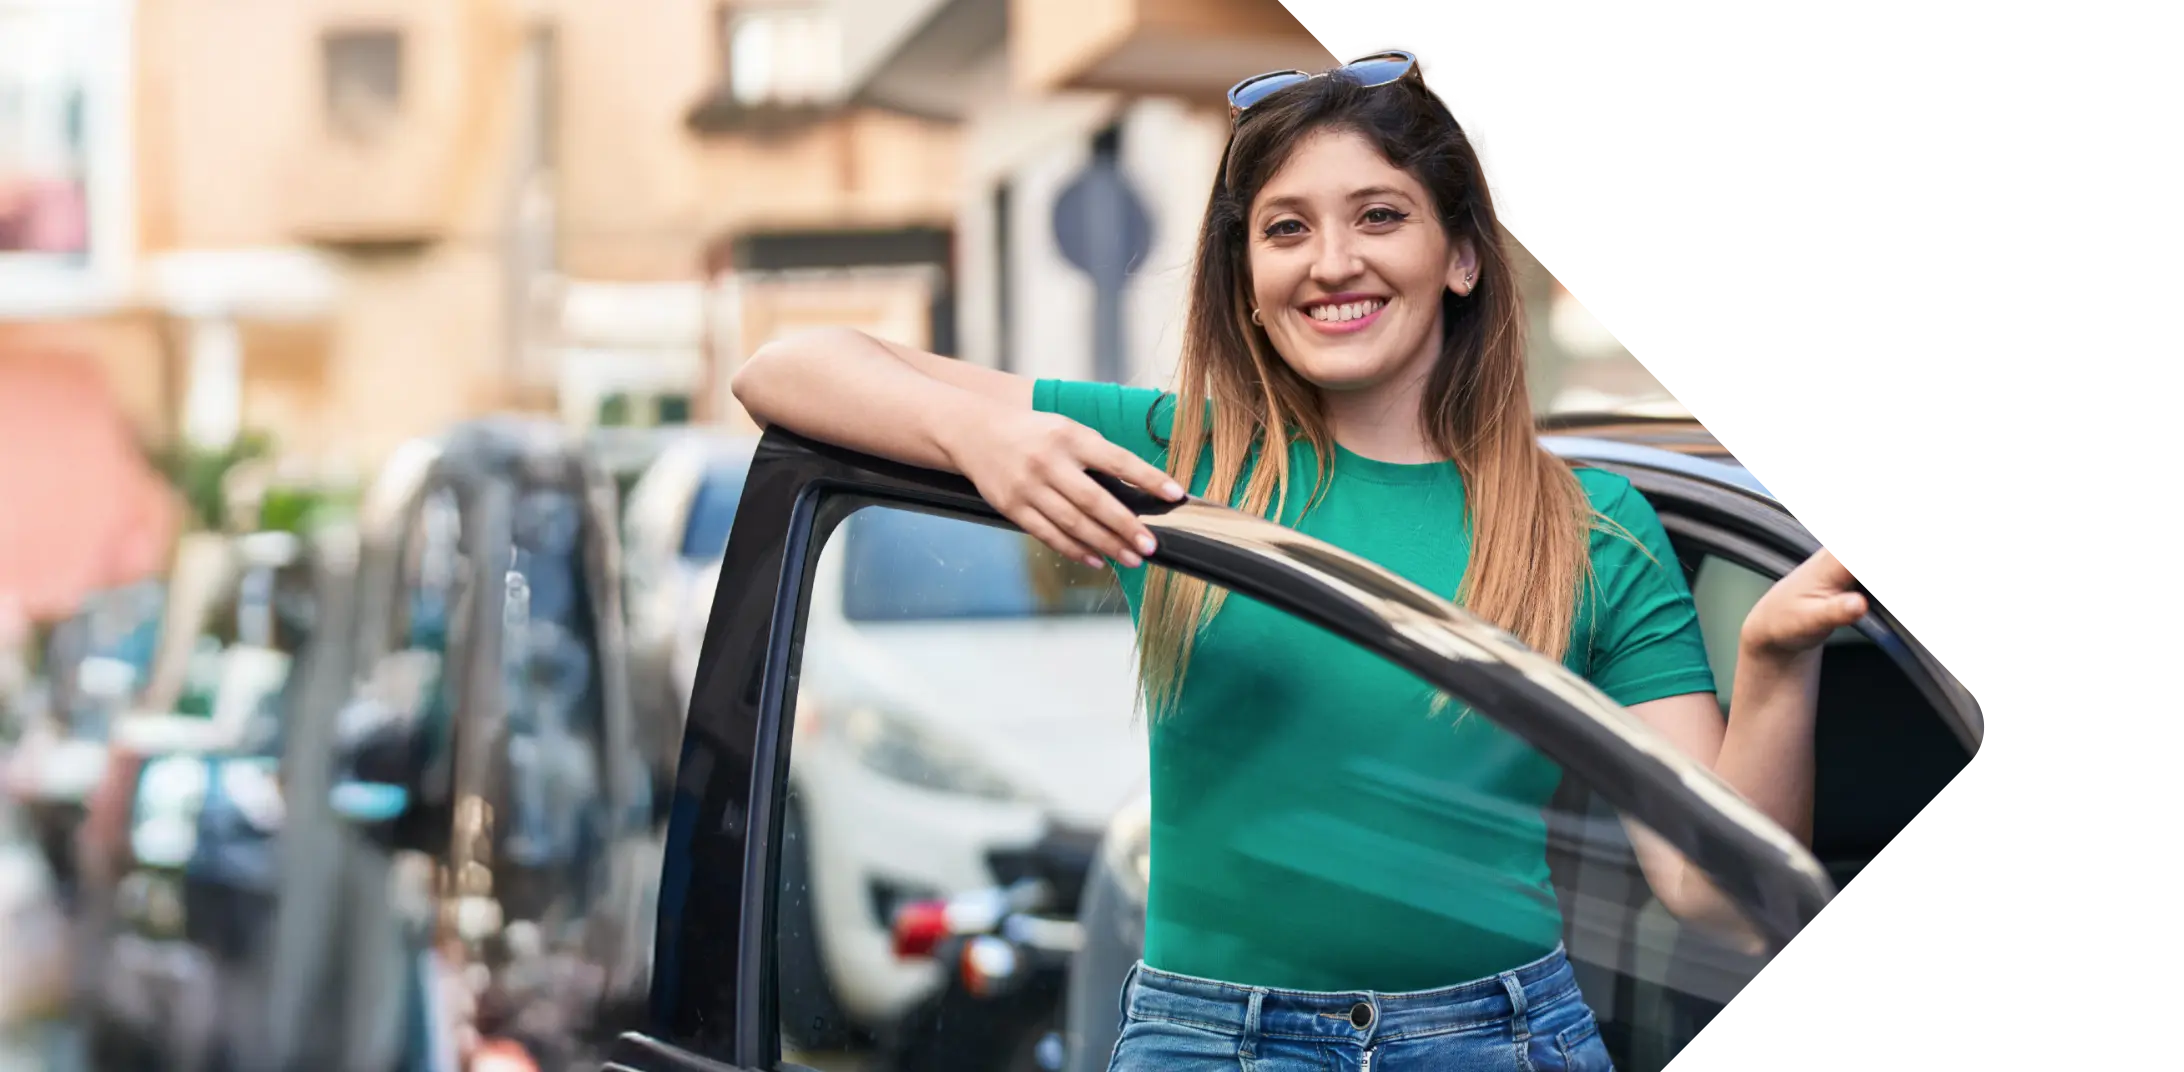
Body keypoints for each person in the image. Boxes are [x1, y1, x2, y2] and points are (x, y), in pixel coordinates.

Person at [732, 50, 1865, 1072]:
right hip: (1206, 1041)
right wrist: (979, 432)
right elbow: (788, 366)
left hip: (1501, 1040)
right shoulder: (1176, 453)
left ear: (1460, 255)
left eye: (1380, 216)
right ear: (1246, 278)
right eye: (1285, 228)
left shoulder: (1593, 526)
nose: (1332, 264)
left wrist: (1771, 657)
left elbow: (1715, 894)